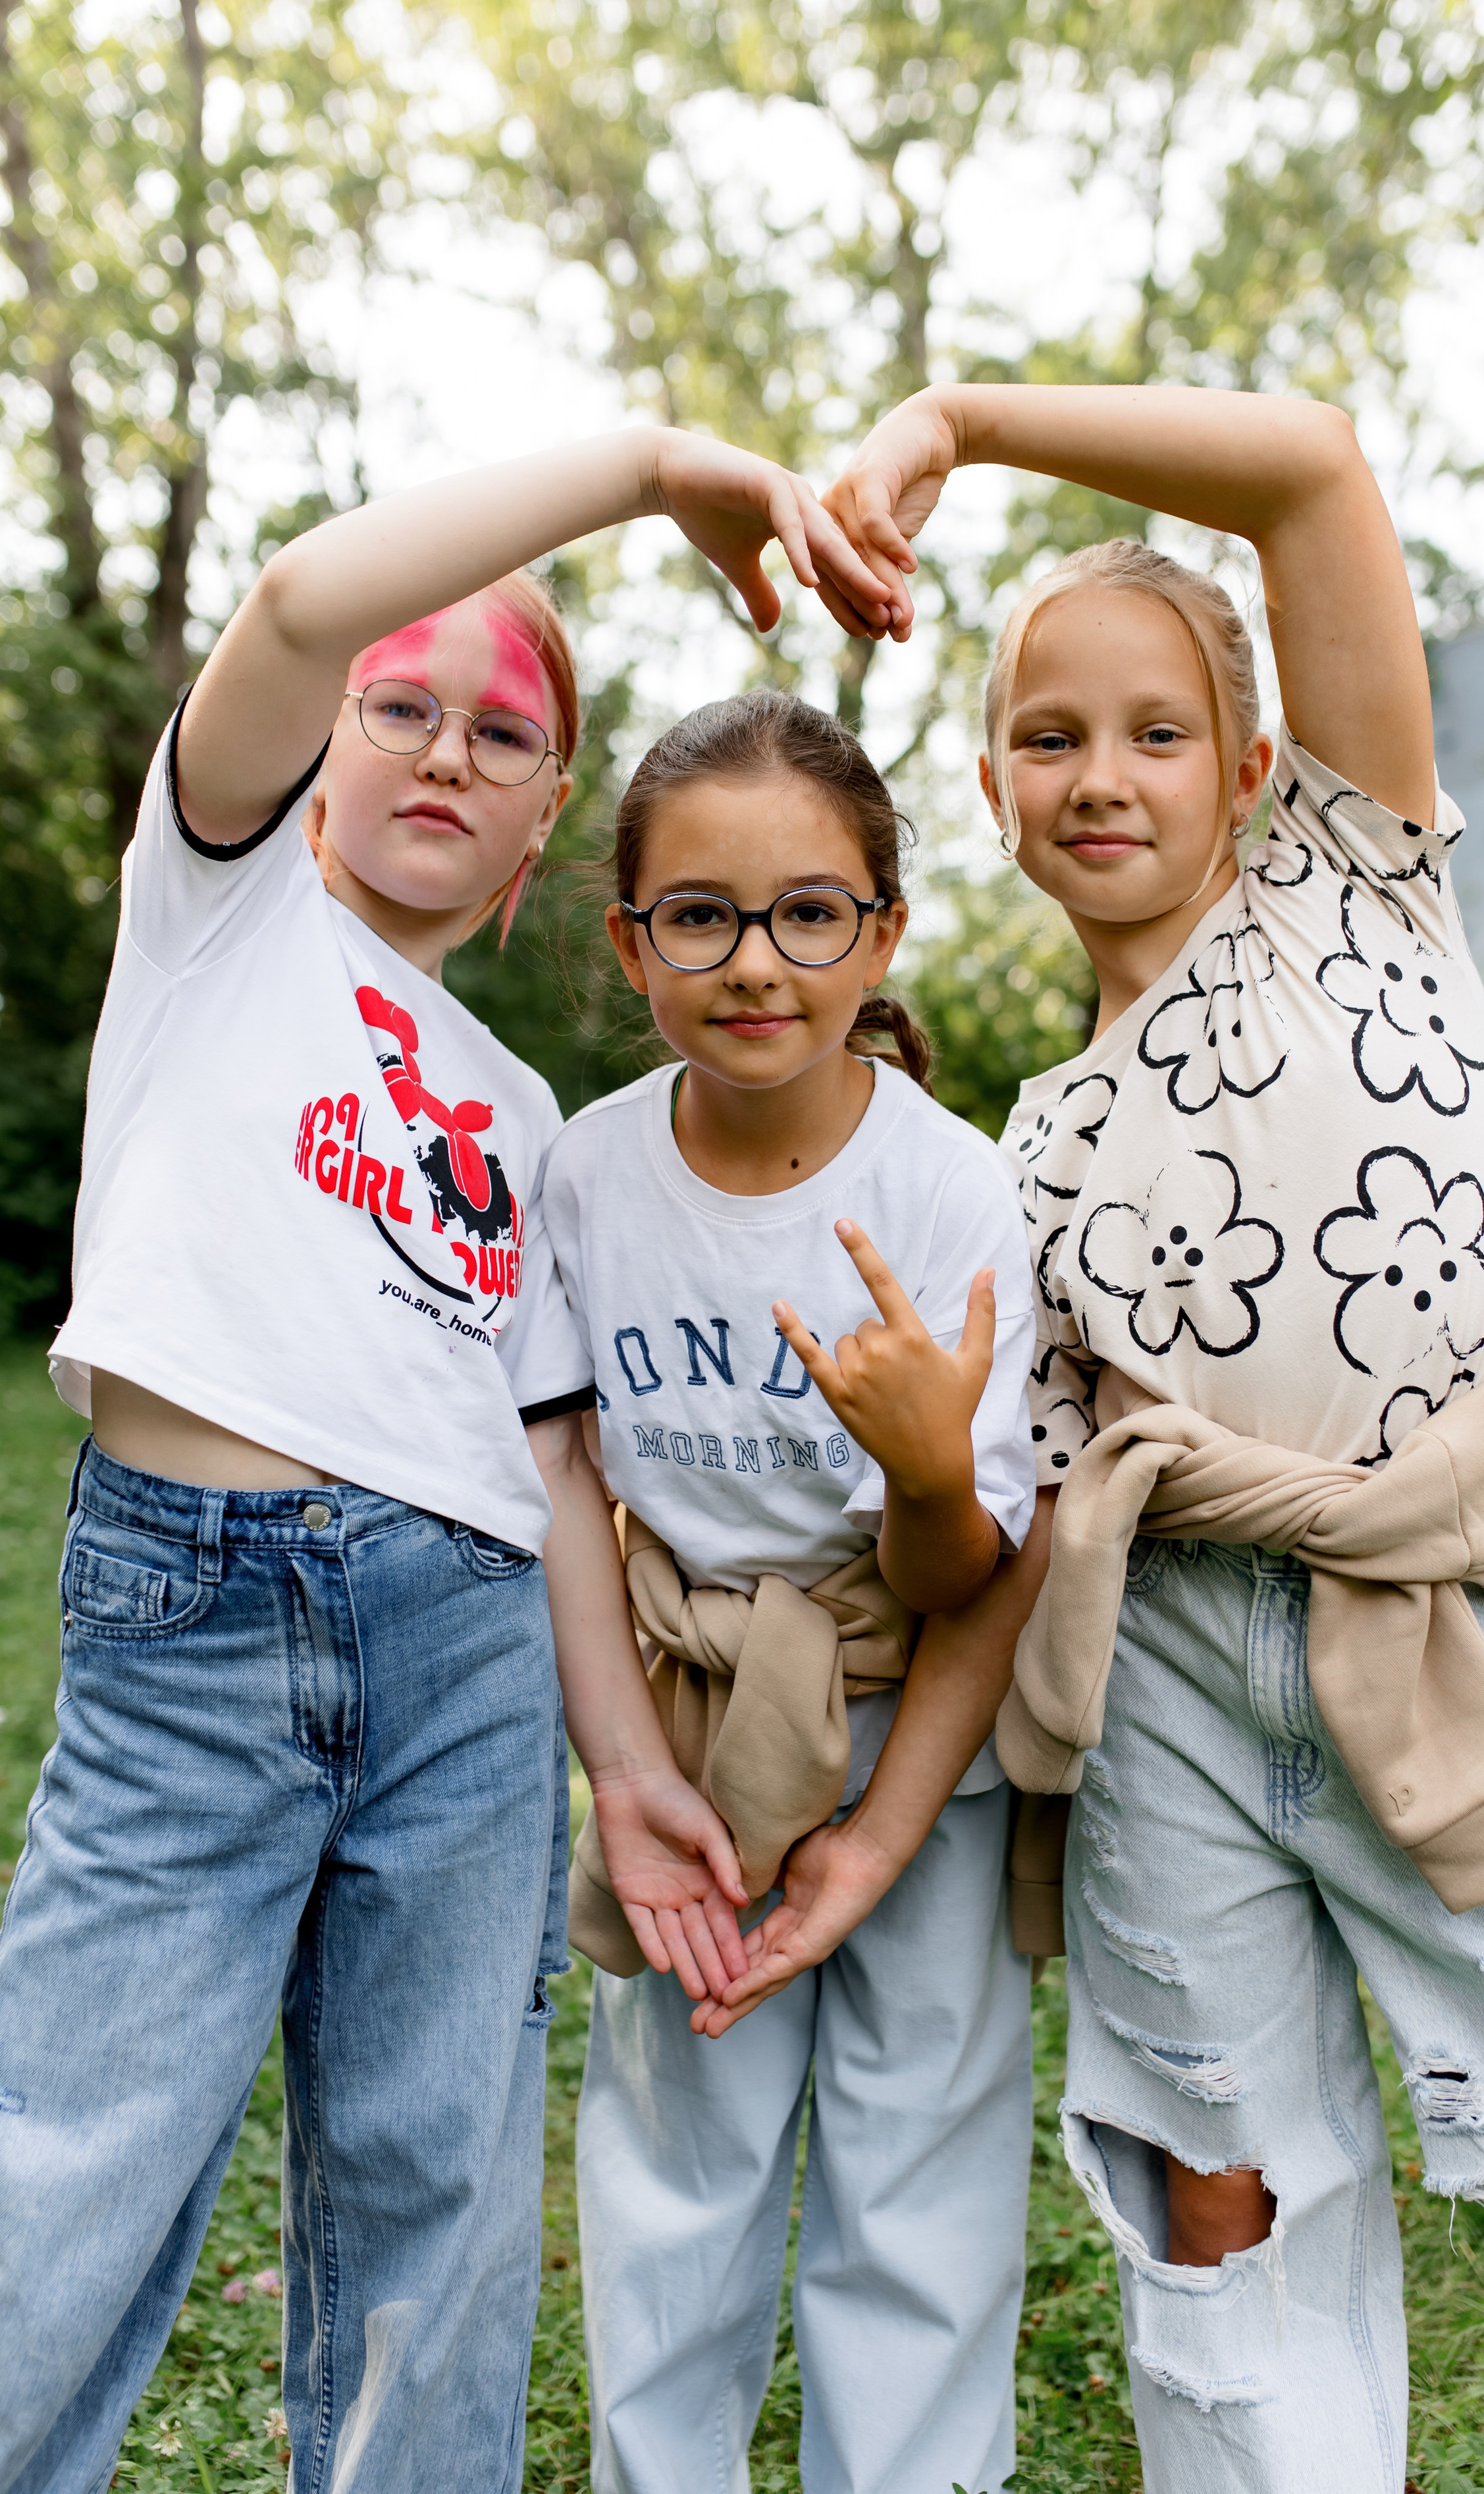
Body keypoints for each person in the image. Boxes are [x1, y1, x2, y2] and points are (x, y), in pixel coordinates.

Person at [0, 429, 895, 2494]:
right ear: (325, 737)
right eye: (401, 704)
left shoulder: (519, 1117)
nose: (439, 749)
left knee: (444, 2194)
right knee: (75, 2156)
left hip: (471, 1663)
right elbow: (307, 596)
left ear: (544, 820)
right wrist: (655, 471)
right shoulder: (212, 909)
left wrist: (635, 1772)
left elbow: (551, 1481)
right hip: (199, 1614)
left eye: (502, 734)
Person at [823, 384, 1484, 2492]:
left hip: (1431, 1647)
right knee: (1222, 2235)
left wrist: (961, 420)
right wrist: (932, 1467)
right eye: (1047, 738)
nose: (1100, 774)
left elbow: (1307, 464)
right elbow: (989, 1554)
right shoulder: (1016, 1156)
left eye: (1150, 731)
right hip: (1169, 1701)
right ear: (1001, 798)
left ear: (1256, 769)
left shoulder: (1354, 897)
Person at [525, 688, 1043, 2494]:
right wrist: (625, 1775)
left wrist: (922, 1468)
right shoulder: (585, 1174)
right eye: (702, 915)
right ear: (632, 938)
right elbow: (567, 1486)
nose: (757, 963)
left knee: (922, 2172)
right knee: (678, 2173)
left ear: (883, 931)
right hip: (690, 1736)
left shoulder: (957, 1196)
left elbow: (981, 1577)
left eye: (811, 912)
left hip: (920, 1737)